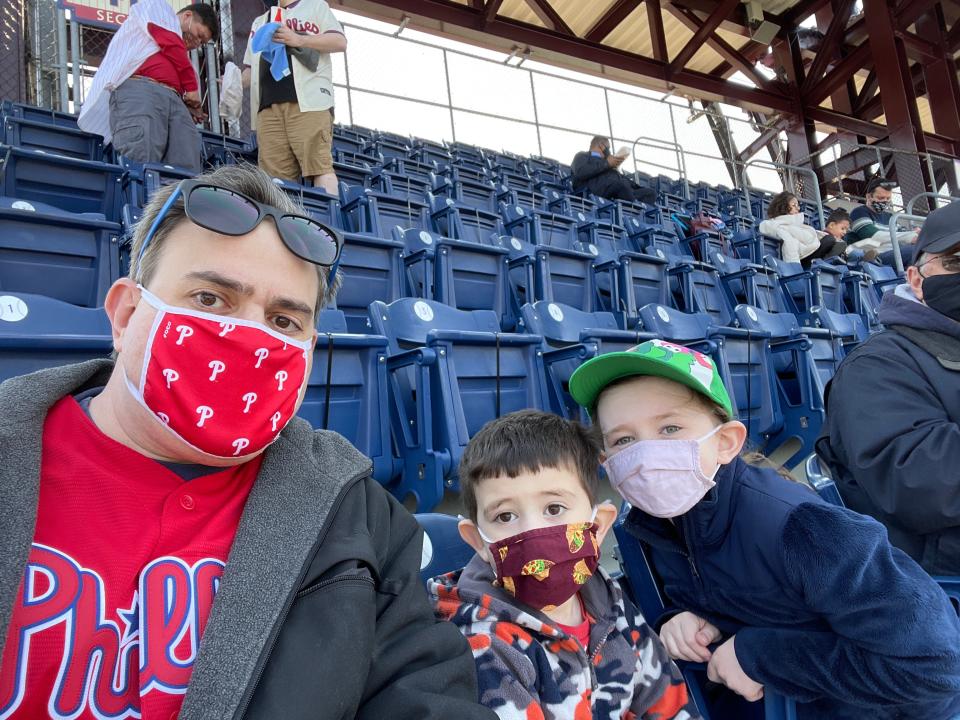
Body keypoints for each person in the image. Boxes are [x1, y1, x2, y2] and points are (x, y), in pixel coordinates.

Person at [0, 164, 494, 720]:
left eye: (284, 322)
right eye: (210, 299)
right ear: (126, 313)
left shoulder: (355, 512)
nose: (251, 338)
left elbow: (423, 691)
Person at [568, 339, 960, 720]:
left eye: (670, 428)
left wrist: (760, 656)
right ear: (608, 463)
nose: (646, 453)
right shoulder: (649, 526)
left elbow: (936, 667)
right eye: (624, 439)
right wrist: (671, 617)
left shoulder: (806, 528)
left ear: (726, 442)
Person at [428, 409, 701, 720]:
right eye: (505, 516)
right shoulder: (482, 642)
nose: (532, 531)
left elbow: (667, 701)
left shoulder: (607, 600)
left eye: (554, 508)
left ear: (597, 526)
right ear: (478, 541)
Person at [818, 200, 960, 576]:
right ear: (916, 279)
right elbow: (924, 483)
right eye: (956, 262)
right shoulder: (876, 365)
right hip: (934, 578)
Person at [79, 0, 217, 174]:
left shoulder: (184, 57)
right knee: (142, 161)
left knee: (185, 167)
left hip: (172, 100)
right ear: (187, 16)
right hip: (141, 90)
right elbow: (169, 42)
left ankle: (176, 201)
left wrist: (190, 104)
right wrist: (191, 87)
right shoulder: (158, 7)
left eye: (202, 42)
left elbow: (178, 67)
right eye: (199, 34)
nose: (197, 42)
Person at [242, 0, 346, 195]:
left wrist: (299, 40)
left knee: (319, 168)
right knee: (274, 182)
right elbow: (250, 68)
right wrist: (231, 83)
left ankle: (327, 222)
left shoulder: (315, 6)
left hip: (309, 102)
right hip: (268, 108)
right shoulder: (259, 22)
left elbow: (340, 42)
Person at [758, 191, 846, 267]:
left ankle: (825, 264)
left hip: (810, 251)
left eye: (798, 205)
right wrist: (795, 268)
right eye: (794, 205)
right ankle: (822, 265)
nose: (798, 208)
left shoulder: (795, 223)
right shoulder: (778, 224)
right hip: (803, 258)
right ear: (783, 206)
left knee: (839, 244)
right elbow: (790, 245)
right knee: (830, 240)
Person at [848, 176, 917, 265]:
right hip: (867, 257)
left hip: (889, 252)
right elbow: (873, 236)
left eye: (888, 198)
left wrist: (916, 233)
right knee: (914, 250)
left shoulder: (890, 217)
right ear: (869, 197)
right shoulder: (858, 212)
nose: (885, 201)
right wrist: (910, 236)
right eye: (880, 198)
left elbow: (902, 233)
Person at [570, 136, 658, 205]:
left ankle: (637, 209)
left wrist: (637, 187)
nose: (609, 151)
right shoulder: (582, 155)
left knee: (650, 193)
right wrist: (607, 164)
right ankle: (634, 210)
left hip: (617, 188)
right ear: (601, 146)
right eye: (608, 148)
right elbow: (580, 172)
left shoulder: (607, 162)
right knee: (620, 184)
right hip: (592, 189)